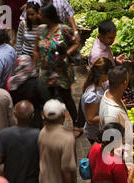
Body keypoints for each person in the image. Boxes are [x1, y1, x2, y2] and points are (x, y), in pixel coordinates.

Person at [33, 3, 81, 134]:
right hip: (46, 72)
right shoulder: (40, 29)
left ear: (48, 17)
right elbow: (36, 50)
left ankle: (77, 123)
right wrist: (35, 67)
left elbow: (76, 42)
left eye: (40, 14)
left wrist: (67, 54)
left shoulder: (63, 29)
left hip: (62, 72)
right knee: (47, 98)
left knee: (66, 97)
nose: (38, 16)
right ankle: (52, 123)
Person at [38, 99, 81, 183]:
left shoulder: (42, 133)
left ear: (44, 116)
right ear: (63, 116)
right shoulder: (67, 138)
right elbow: (67, 171)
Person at [7, 55, 50, 129]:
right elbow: (47, 100)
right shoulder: (37, 83)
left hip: (18, 118)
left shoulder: (12, 82)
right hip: (34, 119)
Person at [79, 57, 113, 144]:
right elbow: (90, 119)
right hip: (95, 134)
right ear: (103, 74)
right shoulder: (92, 95)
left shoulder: (98, 85)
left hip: (99, 129)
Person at [99, 65, 130, 130]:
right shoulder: (112, 115)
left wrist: (132, 128)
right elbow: (113, 138)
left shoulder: (109, 94)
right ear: (125, 82)